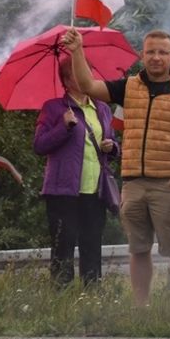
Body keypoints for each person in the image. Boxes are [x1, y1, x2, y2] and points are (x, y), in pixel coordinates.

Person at [63, 27, 170, 308]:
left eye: (163, 52)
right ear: (142, 55)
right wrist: (78, 51)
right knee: (138, 249)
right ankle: (141, 308)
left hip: (169, 184)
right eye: (150, 51)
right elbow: (89, 86)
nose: (156, 57)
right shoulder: (128, 86)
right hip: (134, 183)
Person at [32, 56, 119, 287]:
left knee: (92, 241)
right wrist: (64, 127)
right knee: (64, 243)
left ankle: (92, 290)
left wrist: (112, 147)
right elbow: (39, 145)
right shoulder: (53, 108)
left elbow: (112, 141)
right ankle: (61, 292)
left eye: (87, 72)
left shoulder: (101, 108)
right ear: (66, 80)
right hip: (63, 190)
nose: (85, 77)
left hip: (95, 188)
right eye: (78, 73)